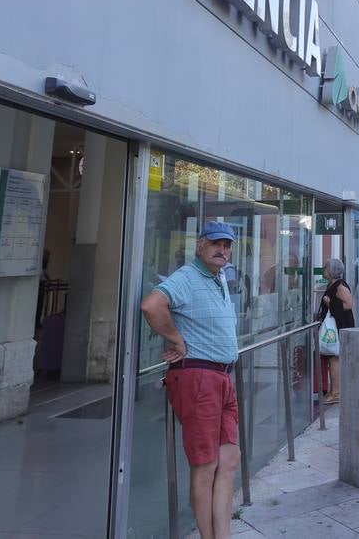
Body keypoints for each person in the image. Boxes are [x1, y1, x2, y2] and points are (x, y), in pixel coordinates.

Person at [139, 222, 241, 539]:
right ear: (200, 245)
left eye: (226, 245)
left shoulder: (218, 277)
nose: (222, 250)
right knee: (206, 464)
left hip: (222, 377)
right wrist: (175, 338)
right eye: (215, 243)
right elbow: (151, 305)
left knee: (229, 460)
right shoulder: (186, 277)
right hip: (199, 376)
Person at [315, 257, 354, 404]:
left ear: (332, 271)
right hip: (335, 325)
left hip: (339, 326)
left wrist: (330, 304)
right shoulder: (332, 285)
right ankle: (333, 390)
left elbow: (348, 305)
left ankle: (336, 392)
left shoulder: (340, 286)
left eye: (326, 267)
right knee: (332, 359)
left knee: (335, 359)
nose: (324, 269)